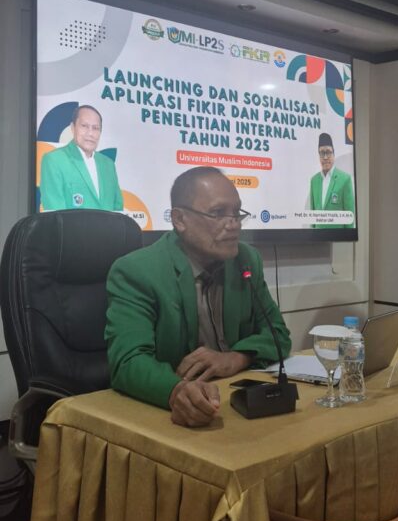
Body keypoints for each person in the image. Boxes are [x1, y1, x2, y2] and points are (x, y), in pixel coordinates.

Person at [106, 166, 291, 428]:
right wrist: (176, 390)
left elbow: (278, 335)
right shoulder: (138, 271)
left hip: (236, 403)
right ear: (180, 219)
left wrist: (235, 358)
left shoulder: (246, 259)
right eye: (218, 213)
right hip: (172, 416)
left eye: (237, 212)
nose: (234, 224)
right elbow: (128, 362)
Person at [40, 104, 123, 211]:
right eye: (84, 126)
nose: (90, 133)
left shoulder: (108, 164)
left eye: (96, 128)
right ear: (72, 127)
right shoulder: (54, 160)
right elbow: (55, 214)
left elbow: (118, 209)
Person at [309, 132, 354, 227]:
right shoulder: (314, 181)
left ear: (334, 154)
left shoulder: (345, 179)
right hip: (318, 236)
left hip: (337, 236)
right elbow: (312, 217)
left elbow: (349, 220)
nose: (325, 157)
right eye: (322, 153)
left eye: (328, 152)